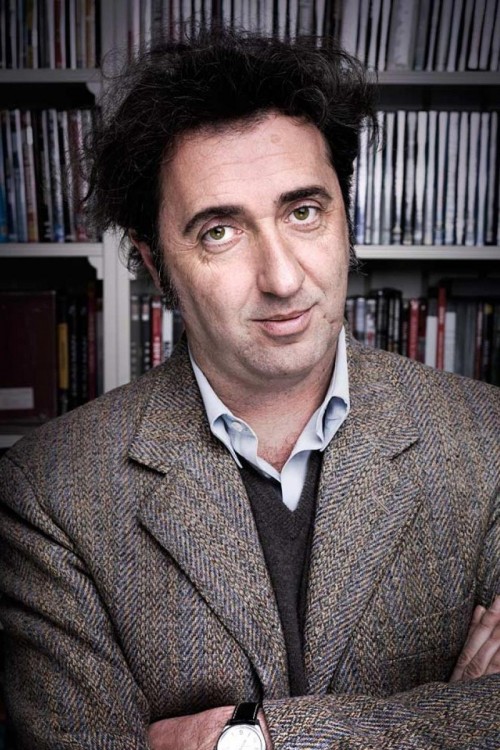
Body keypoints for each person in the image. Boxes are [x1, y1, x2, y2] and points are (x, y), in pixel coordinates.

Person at [0, 29, 499, 750]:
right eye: (219, 232)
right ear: (155, 264)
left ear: (346, 216)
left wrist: (249, 739)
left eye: (304, 212)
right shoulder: (47, 491)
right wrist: (449, 718)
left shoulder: (486, 437)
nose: (284, 279)